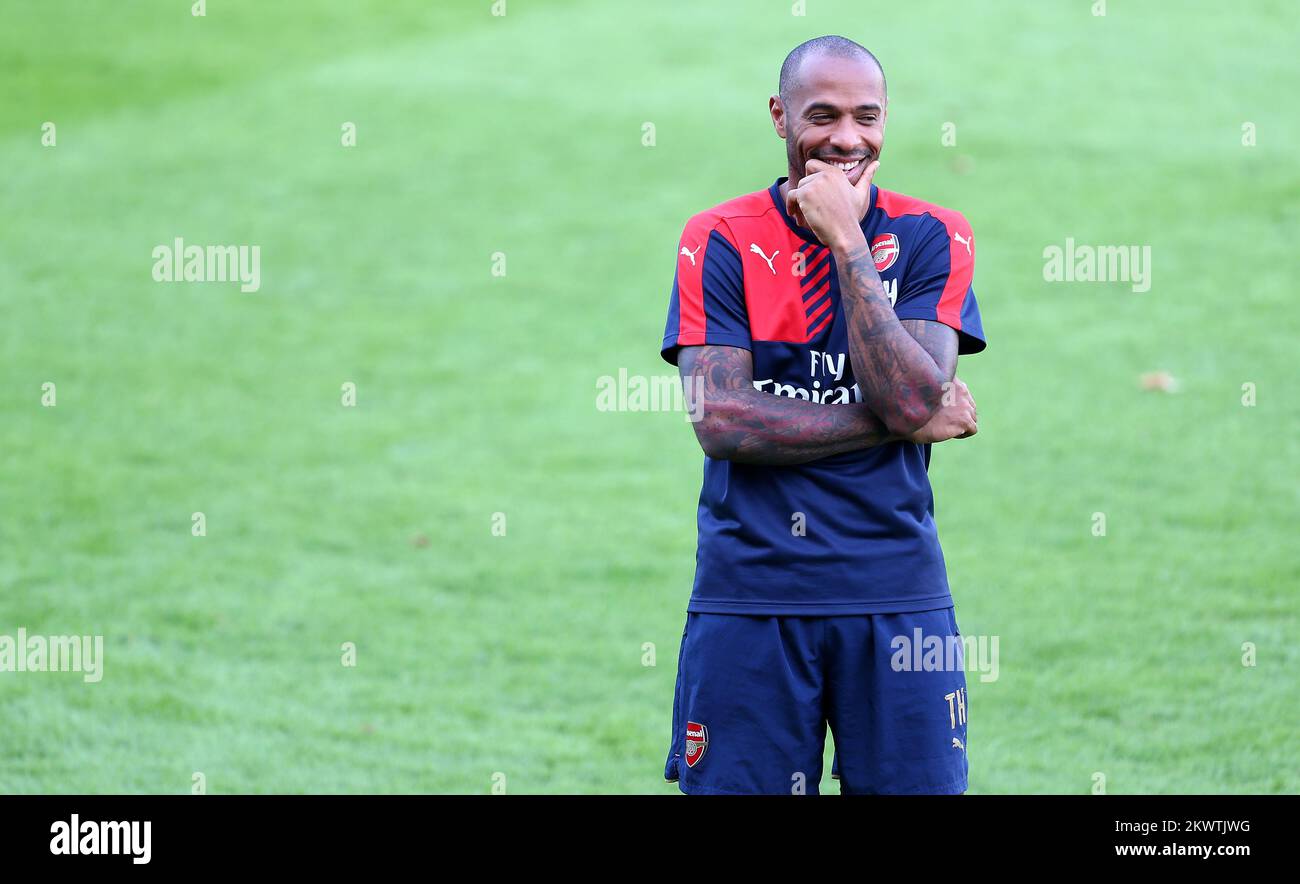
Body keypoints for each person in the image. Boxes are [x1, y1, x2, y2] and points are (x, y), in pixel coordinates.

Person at [660, 35, 986, 795]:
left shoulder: (933, 234)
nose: (847, 138)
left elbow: (910, 396)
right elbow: (725, 422)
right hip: (751, 599)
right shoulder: (720, 238)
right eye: (822, 115)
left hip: (898, 595)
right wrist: (899, 419)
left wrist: (846, 238)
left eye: (866, 117)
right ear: (779, 116)